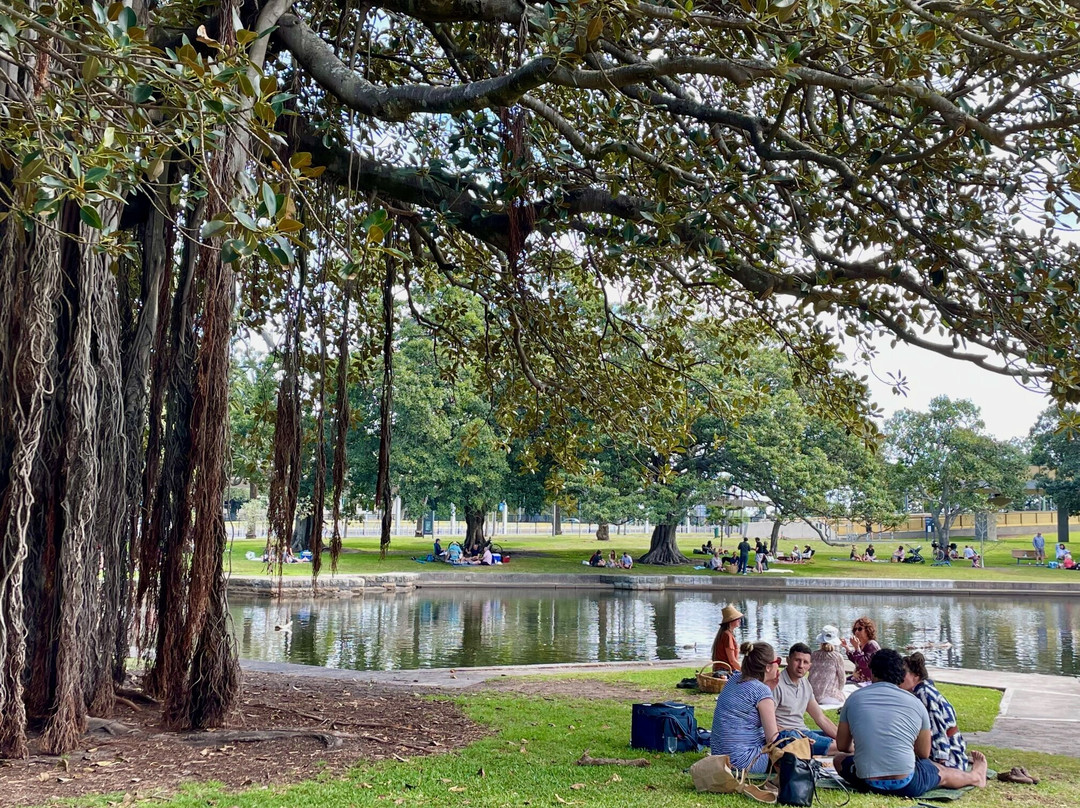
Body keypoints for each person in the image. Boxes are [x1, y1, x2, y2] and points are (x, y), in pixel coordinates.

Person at [833, 649, 988, 798]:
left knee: (838, 760)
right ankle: (975, 777)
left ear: (872, 672)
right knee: (941, 771)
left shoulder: (853, 699)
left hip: (868, 782)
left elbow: (843, 746)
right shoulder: (916, 703)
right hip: (908, 784)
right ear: (900, 674)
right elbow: (923, 753)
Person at [710, 641, 782, 773]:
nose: (779, 665)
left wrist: (769, 689)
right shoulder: (761, 691)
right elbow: (772, 739)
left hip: (719, 757)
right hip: (743, 762)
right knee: (791, 742)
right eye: (777, 660)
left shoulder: (733, 680)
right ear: (768, 667)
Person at [901, 652, 970, 771]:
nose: (899, 678)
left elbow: (937, 726)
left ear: (916, 676)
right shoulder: (925, 690)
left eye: (903, 674)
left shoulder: (924, 695)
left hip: (951, 757)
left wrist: (940, 757)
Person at [773, 643, 838, 755]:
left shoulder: (804, 683)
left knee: (846, 742)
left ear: (810, 665)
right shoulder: (776, 685)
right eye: (797, 660)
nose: (801, 665)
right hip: (790, 738)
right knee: (846, 747)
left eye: (805, 662)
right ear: (788, 660)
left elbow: (820, 718)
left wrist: (843, 738)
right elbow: (767, 722)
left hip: (804, 732)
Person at [809, 625, 847, 706]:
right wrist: (839, 690)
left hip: (811, 695)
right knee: (845, 698)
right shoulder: (837, 657)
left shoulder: (813, 655)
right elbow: (842, 679)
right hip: (829, 697)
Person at [841, 616, 881, 684]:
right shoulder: (861, 645)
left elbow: (864, 663)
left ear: (868, 630)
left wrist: (857, 648)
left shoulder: (872, 645)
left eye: (860, 629)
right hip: (858, 678)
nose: (856, 632)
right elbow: (856, 661)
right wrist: (847, 647)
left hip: (868, 682)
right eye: (855, 629)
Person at [712, 604, 743, 673]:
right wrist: (744, 672)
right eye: (737, 619)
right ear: (731, 621)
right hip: (725, 671)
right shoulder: (727, 635)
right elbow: (732, 661)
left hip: (723, 670)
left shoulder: (725, 633)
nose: (739, 620)